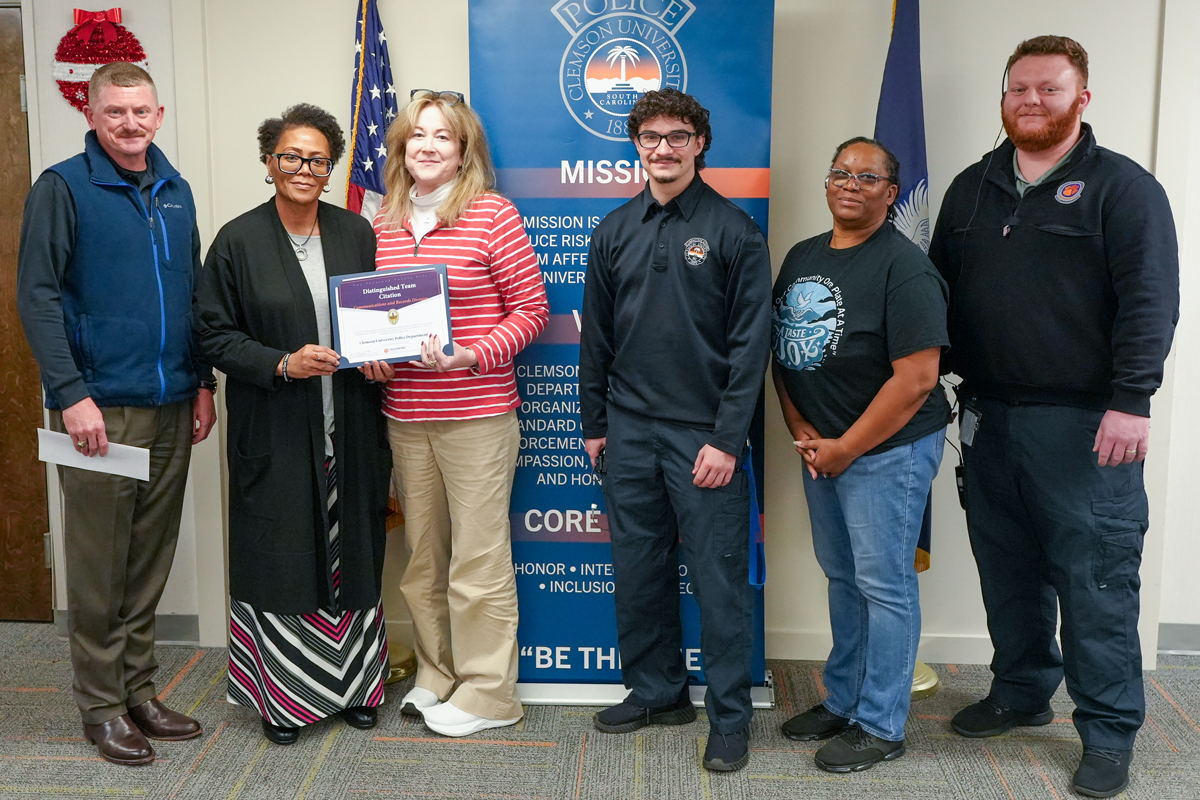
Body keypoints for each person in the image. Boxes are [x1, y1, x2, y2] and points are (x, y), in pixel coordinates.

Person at [929, 36, 1178, 798]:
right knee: (1008, 567)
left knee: (1096, 578)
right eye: (1018, 90)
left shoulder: (1123, 189)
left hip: (1086, 424)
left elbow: (1150, 301)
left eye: (1049, 89)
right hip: (987, 416)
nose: (1031, 101)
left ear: (1082, 97)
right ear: (1003, 97)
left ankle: (1107, 731)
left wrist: (1132, 400)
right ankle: (1021, 690)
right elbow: (936, 294)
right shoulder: (972, 188)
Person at [16, 62, 215, 765]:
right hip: (99, 410)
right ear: (93, 115)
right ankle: (100, 707)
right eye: (115, 113)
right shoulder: (64, 187)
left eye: (141, 112)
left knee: (149, 560)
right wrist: (70, 394)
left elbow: (192, 295)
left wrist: (202, 383)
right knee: (100, 566)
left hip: (169, 403)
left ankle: (138, 690)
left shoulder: (177, 191)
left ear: (158, 113)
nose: (130, 124)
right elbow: (37, 296)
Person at [579, 88, 771, 773]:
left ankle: (729, 719)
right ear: (637, 144)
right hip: (627, 432)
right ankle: (658, 692)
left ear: (699, 144)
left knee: (718, 582)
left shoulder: (734, 232)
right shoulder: (614, 230)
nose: (663, 147)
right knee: (637, 570)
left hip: (703, 436)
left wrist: (726, 439)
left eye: (677, 136)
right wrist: (594, 423)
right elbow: (595, 339)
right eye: (651, 136)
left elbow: (752, 351)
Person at [194, 104, 393, 746]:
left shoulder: (356, 233)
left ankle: (357, 686)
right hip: (276, 425)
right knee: (282, 553)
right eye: (291, 157)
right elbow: (212, 334)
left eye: (316, 159)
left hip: (352, 423)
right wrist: (281, 362)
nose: (304, 169)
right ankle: (287, 697)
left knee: (355, 546)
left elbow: (382, 312)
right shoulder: (238, 240)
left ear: (332, 167)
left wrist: (383, 350)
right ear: (269, 163)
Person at [771, 137, 950, 772]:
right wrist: (804, 430)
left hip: (886, 452)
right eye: (841, 173)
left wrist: (846, 447)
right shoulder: (802, 256)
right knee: (844, 579)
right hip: (823, 448)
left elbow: (917, 381)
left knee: (884, 585)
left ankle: (881, 723)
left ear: (890, 193)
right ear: (827, 184)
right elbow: (786, 349)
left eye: (868, 177)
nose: (851, 184)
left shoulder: (905, 269)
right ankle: (843, 701)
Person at [374, 89, 549, 737]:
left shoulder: (492, 215)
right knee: (422, 558)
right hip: (405, 415)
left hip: (476, 414)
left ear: (463, 149)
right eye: (417, 135)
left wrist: (471, 355)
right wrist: (376, 357)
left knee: (477, 560)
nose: (427, 145)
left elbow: (532, 313)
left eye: (442, 136)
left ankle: (489, 692)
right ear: (400, 147)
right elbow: (376, 320)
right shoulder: (382, 221)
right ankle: (436, 673)